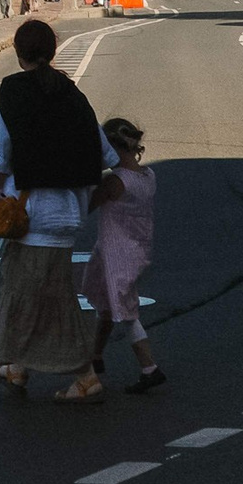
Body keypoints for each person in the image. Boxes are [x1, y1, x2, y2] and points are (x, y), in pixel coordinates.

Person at [0, 18, 115, 402]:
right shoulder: (73, 97)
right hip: (67, 214)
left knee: (42, 299)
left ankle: (84, 375)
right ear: (51, 51)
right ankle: (15, 365)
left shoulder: (15, 96)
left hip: (34, 216)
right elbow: (104, 154)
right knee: (29, 292)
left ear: (18, 54)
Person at [83, 116, 163, 394]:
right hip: (136, 249)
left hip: (114, 252)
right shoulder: (148, 176)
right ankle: (96, 356)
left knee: (125, 310)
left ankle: (149, 367)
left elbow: (88, 206)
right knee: (108, 304)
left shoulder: (116, 182)